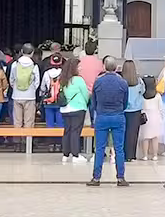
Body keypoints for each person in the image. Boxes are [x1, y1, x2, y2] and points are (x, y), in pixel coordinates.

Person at [88, 57, 131, 186]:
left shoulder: (98, 82)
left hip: (102, 116)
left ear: (104, 67)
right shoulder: (122, 82)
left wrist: (99, 110)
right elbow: (125, 102)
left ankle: (96, 178)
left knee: (100, 148)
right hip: (118, 116)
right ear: (116, 67)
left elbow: (93, 102)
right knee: (119, 148)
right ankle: (120, 177)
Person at [58, 64, 91, 165]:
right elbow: (85, 93)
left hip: (65, 109)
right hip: (78, 108)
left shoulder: (62, 79)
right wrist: (85, 103)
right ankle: (75, 155)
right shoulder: (78, 80)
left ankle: (65, 154)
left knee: (67, 131)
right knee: (75, 132)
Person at [121, 60, 145, 161]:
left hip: (124, 109)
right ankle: (131, 155)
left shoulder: (121, 81)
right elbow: (143, 91)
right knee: (133, 133)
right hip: (136, 110)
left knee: (123, 132)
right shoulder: (139, 81)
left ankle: (122, 153)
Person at [9, 50, 38, 130]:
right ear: (32, 52)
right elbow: (37, 82)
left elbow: (11, 79)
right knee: (29, 121)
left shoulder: (15, 64)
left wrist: (15, 88)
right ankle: (27, 141)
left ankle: (17, 140)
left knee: (17, 121)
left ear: (22, 51)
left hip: (16, 95)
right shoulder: (34, 65)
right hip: (30, 96)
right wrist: (32, 89)